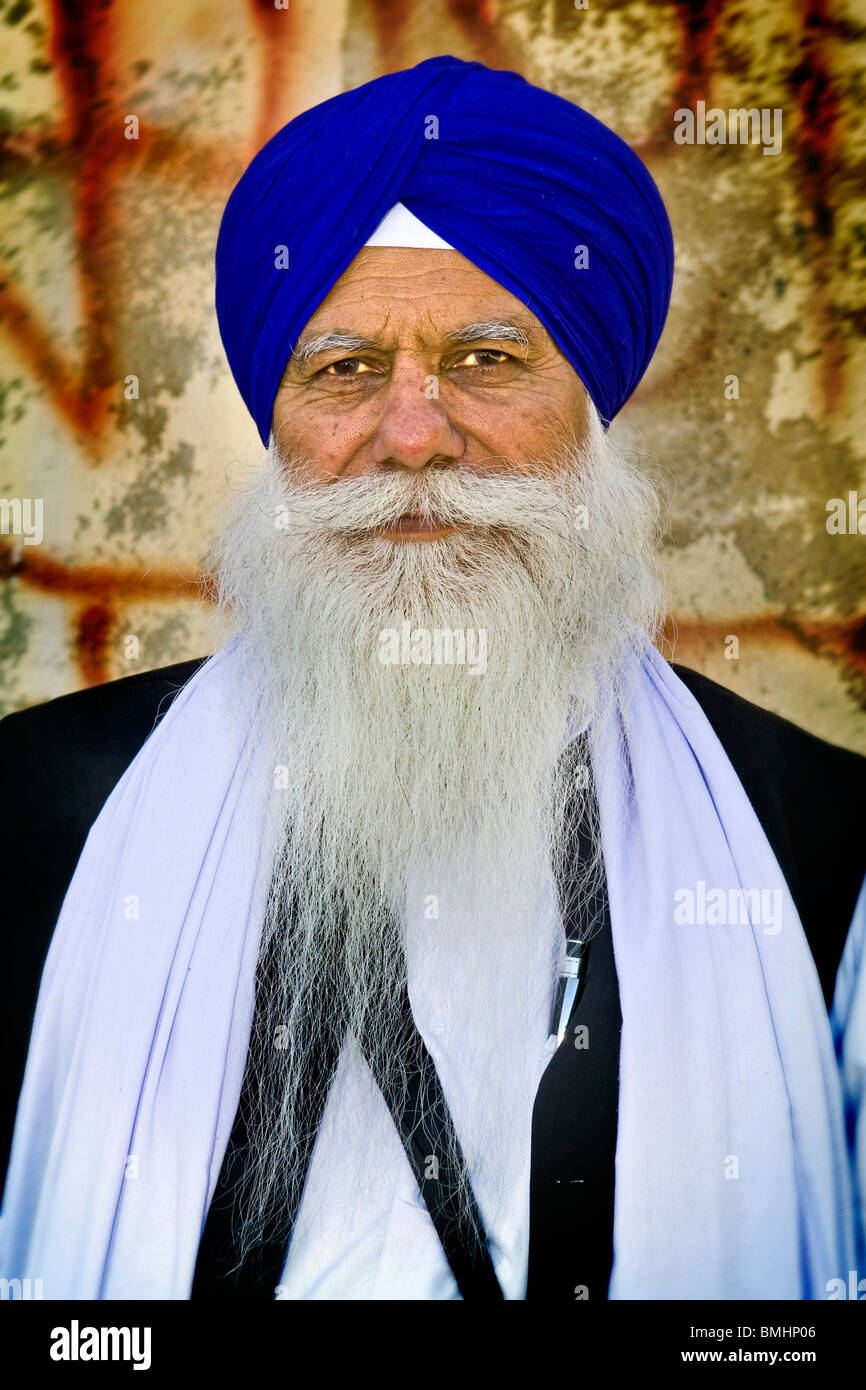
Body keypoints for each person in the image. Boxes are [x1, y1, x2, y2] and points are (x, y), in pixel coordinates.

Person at [1, 55, 864, 1302]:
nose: (413, 435)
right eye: (344, 369)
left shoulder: (821, 854)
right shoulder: (39, 815)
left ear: (592, 405)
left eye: (488, 357)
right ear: (277, 419)